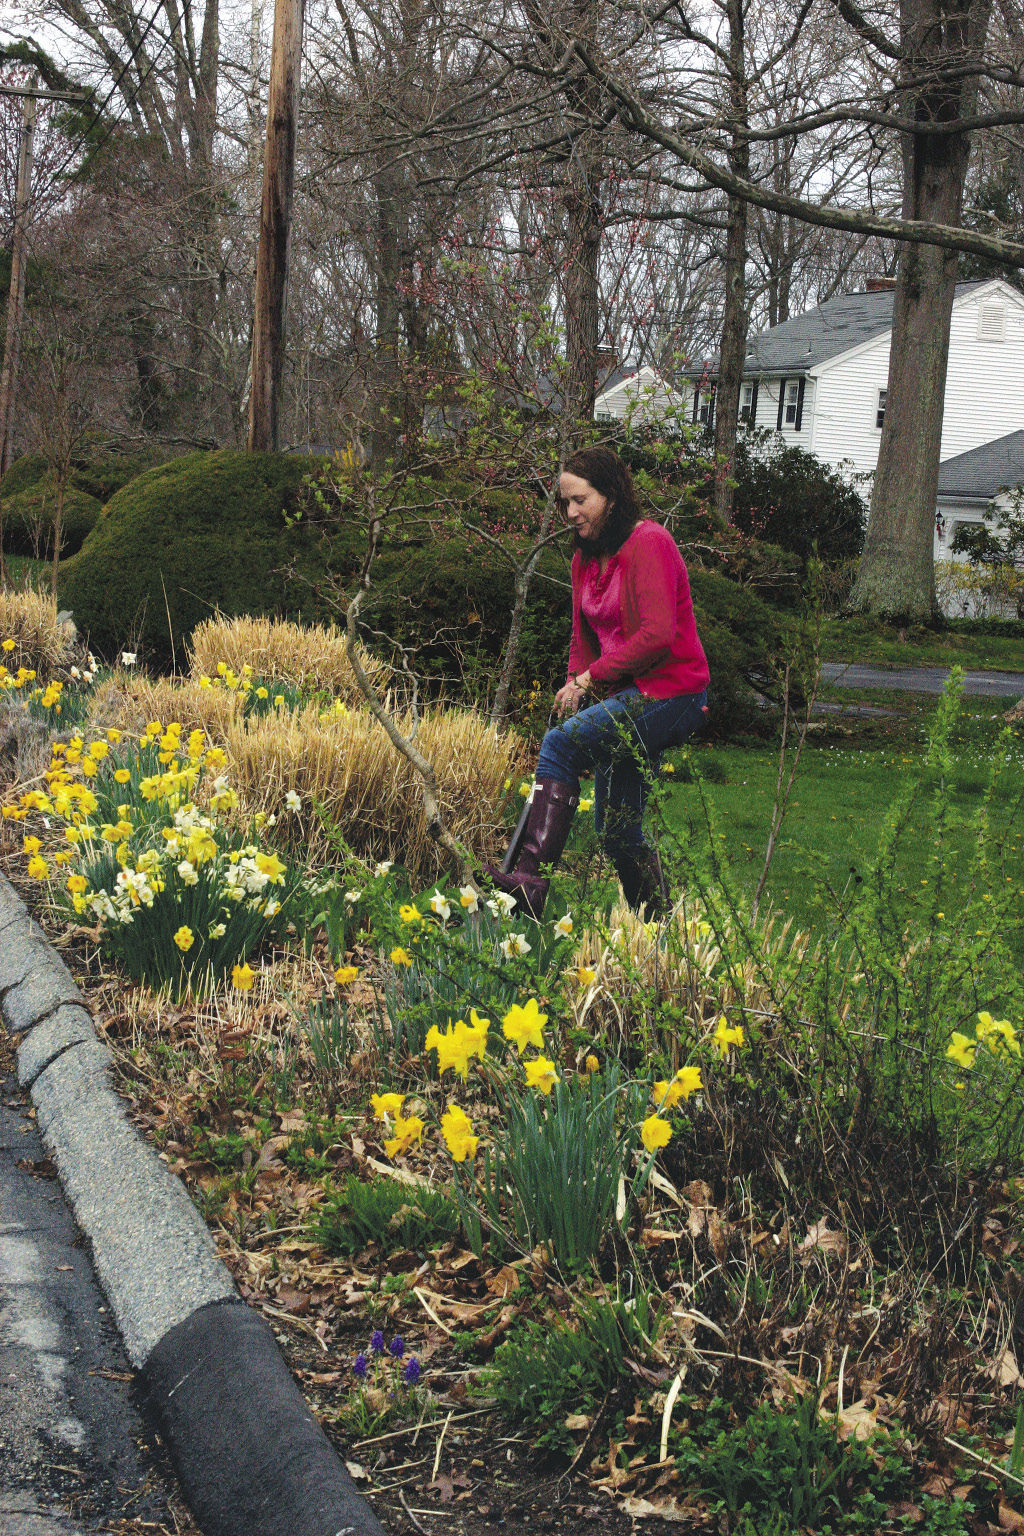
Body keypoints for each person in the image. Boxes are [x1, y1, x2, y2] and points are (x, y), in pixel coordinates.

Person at [486, 445, 710, 919]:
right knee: (616, 831)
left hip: (673, 693)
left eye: (580, 500)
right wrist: (575, 680)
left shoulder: (649, 542)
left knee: (559, 746)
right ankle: (659, 928)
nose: (570, 512)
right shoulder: (584, 558)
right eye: (563, 503)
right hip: (629, 696)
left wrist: (590, 679)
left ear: (611, 496)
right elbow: (582, 634)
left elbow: (656, 635)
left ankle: (528, 884)